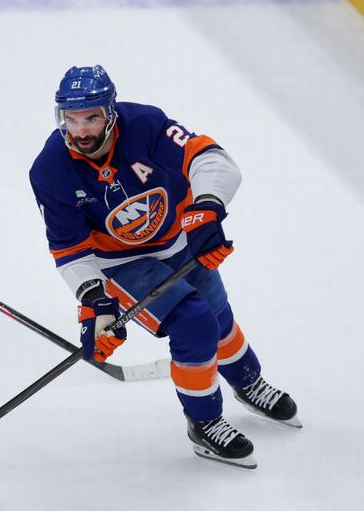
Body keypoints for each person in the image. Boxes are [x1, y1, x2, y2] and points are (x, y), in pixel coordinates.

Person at [29, 65, 301, 469]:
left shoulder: (146, 125)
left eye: (91, 118)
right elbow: (69, 248)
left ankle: (246, 381)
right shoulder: (51, 168)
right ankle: (204, 423)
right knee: (194, 322)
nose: (81, 130)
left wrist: (206, 212)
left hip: (178, 236)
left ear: (111, 113)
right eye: (71, 119)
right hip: (120, 263)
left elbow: (213, 161)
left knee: (218, 314)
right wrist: (95, 302)